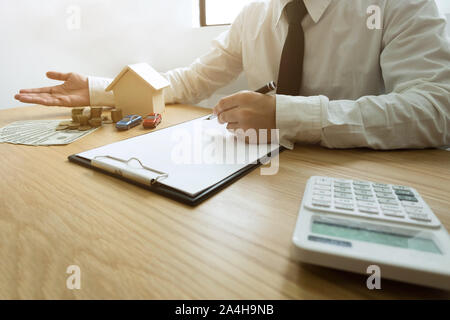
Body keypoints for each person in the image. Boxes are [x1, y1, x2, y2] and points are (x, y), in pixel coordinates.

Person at [15, 0, 450, 150]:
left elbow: (437, 109)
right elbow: (189, 81)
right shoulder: (253, 14)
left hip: (360, 186)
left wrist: (290, 116)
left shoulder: (397, 5)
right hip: (260, 184)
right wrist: (100, 91)